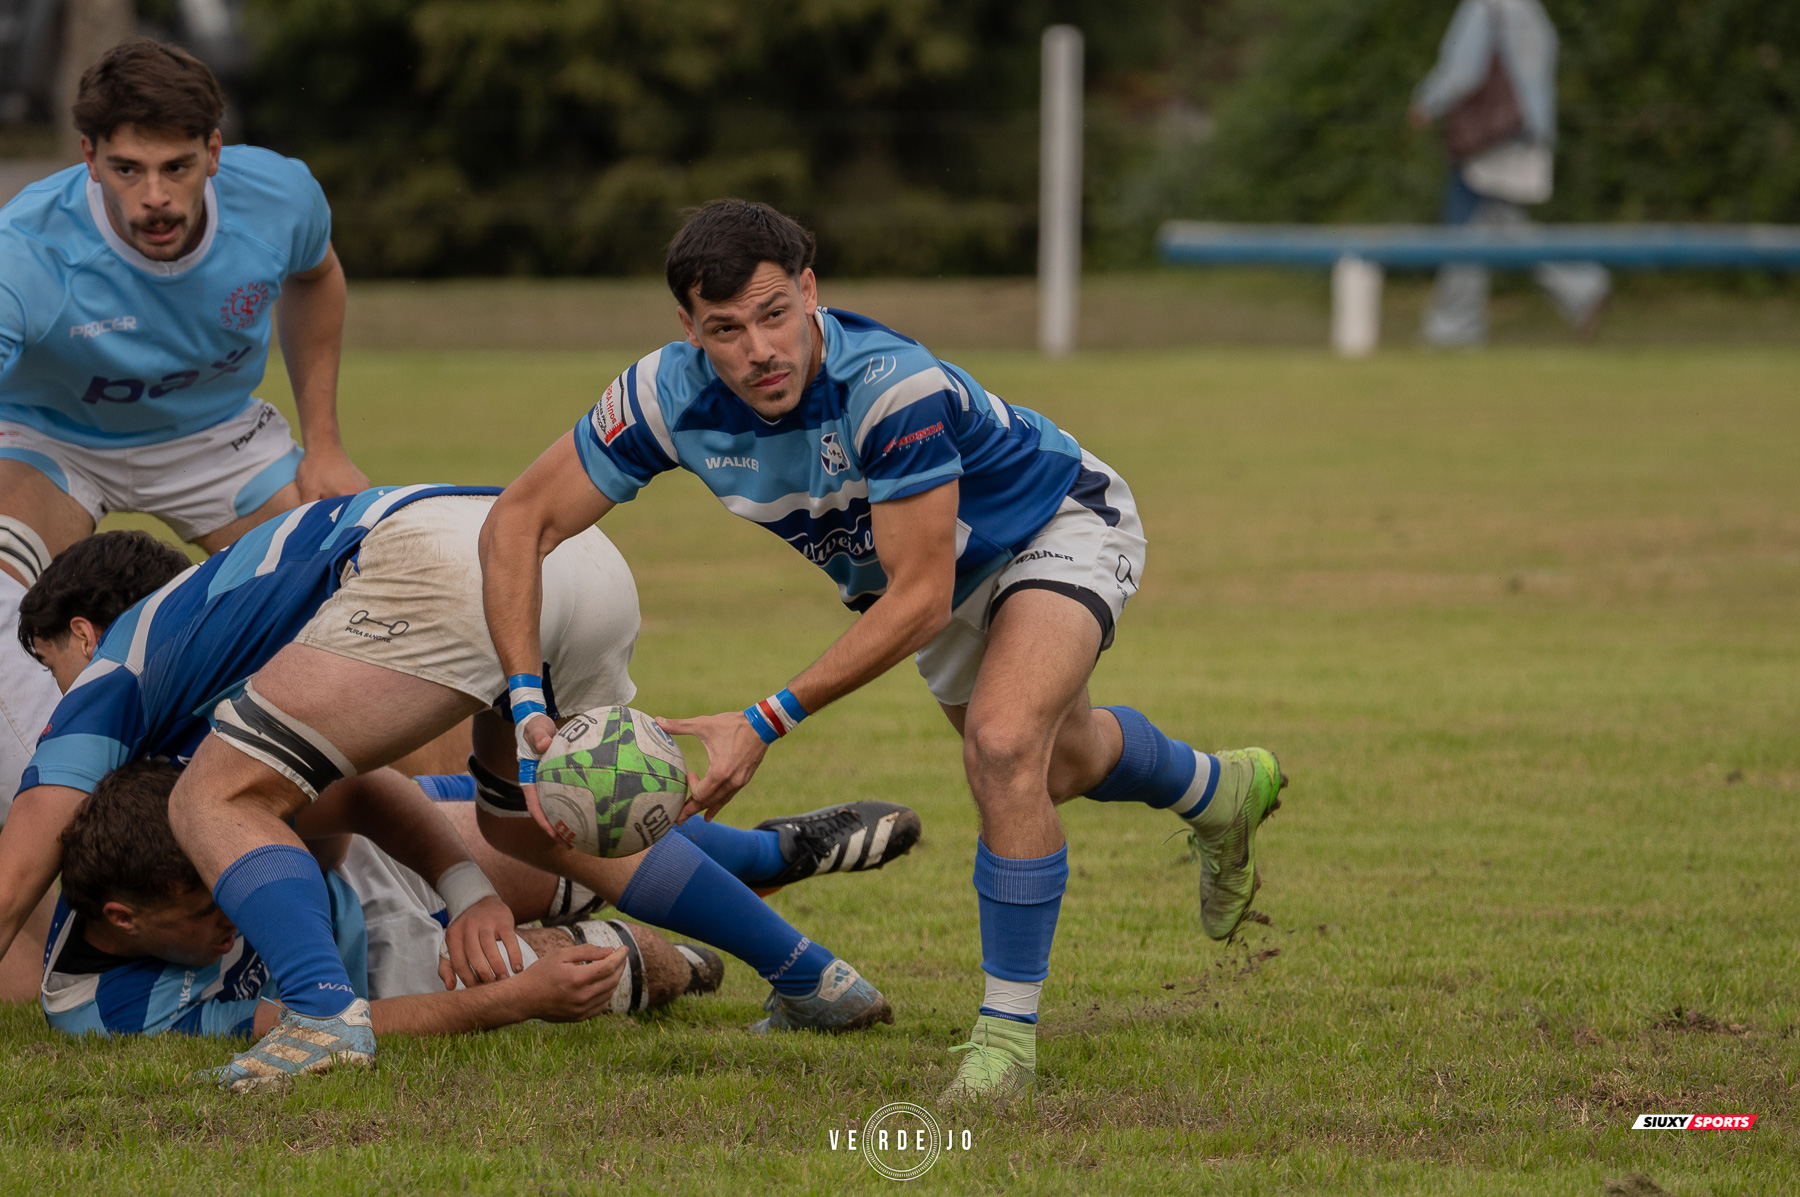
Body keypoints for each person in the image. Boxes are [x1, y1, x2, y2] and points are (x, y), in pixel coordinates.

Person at [479, 200, 1288, 1108]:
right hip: (930, 577)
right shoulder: (665, 396)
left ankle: (1005, 1042)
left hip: (1051, 524)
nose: (758, 350)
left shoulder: (888, 387)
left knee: (1002, 745)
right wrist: (524, 708)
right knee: (1060, 764)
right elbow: (517, 522)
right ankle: (1216, 788)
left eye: (775, 313)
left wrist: (762, 721)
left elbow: (918, 597)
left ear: (811, 292)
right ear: (688, 329)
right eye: (726, 329)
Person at [0, 488, 906, 1090]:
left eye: (51, 664)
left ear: (87, 630)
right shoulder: (209, 645)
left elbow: (9, 889)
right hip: (566, 555)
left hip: (444, 570)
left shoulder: (109, 692)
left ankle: (325, 1021)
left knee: (215, 806)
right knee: (540, 819)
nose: (53, 694)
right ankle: (811, 976)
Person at [0, 37, 366, 856]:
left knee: (367, 599)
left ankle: (407, 851)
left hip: (215, 439)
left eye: (175, 166)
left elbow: (318, 275)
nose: (154, 196)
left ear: (214, 151)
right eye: (128, 169)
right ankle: (64, 822)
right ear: (89, 159)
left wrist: (326, 442)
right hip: (55, 440)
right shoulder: (25, 250)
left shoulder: (282, 197)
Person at [44, 760, 725, 1046]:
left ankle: (774, 853)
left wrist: (468, 891)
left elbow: (363, 784)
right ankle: (696, 963)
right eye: (208, 910)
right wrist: (517, 1000)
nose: (239, 912)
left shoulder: (178, 806)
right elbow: (327, 1024)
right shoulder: (114, 1009)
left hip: (359, 864)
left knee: (568, 844)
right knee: (611, 966)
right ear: (123, 920)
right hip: (373, 970)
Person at [1408, 0, 1610, 346]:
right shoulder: (1531, 10)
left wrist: (1427, 103)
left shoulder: (1484, 8)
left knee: (1465, 226)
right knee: (1503, 226)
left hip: (1488, 139)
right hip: (1523, 134)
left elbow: (1463, 72)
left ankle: (1456, 328)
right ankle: (1582, 287)